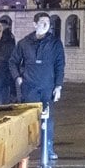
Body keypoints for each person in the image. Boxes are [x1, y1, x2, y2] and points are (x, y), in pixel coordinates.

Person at [10, 12, 66, 157]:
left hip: (47, 88)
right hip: (29, 87)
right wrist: (18, 78)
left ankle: (48, 148)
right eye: (42, 22)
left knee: (48, 119)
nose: (46, 25)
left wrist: (58, 86)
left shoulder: (55, 43)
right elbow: (13, 62)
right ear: (35, 24)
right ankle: (25, 150)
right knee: (28, 118)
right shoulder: (24, 43)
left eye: (48, 22)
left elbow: (60, 65)